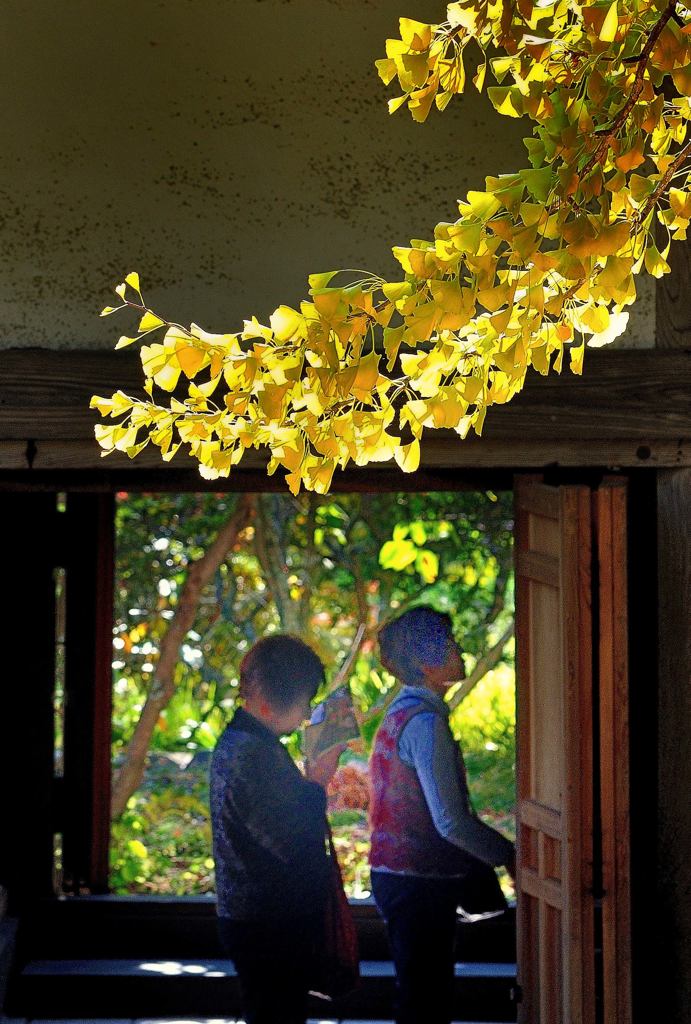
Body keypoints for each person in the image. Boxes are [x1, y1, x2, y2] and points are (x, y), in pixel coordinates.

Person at [369, 606, 516, 1024]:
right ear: (426, 661)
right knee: (425, 1001)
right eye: (450, 644)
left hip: (398, 876)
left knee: (420, 993)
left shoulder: (401, 713)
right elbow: (449, 821)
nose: (460, 651)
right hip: (417, 882)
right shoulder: (425, 723)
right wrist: (507, 853)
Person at [209, 634, 343, 1024]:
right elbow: (289, 839)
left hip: (250, 915)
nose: (305, 715)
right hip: (266, 921)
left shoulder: (242, 741)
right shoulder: (252, 752)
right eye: (304, 702)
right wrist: (318, 781)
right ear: (277, 698)